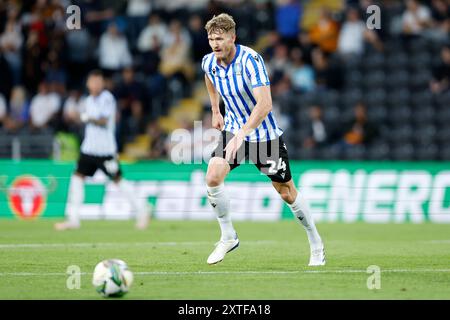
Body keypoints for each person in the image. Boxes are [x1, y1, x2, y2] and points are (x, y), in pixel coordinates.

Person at [201, 14, 325, 266]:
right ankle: (228, 237)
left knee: (287, 193)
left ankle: (316, 243)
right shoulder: (208, 62)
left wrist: (242, 136)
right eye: (211, 39)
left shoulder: (250, 61)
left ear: (232, 38)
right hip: (235, 131)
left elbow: (265, 104)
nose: (215, 44)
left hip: (264, 136)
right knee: (213, 175)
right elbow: (209, 78)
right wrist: (216, 110)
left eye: (220, 38)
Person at [54, 70, 150, 231]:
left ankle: (143, 210)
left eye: (99, 82)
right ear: (88, 84)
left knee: (118, 180)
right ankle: (73, 219)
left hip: (105, 151)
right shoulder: (88, 100)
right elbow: (87, 120)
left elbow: (104, 120)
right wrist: (77, 117)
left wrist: (85, 117)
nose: (96, 85)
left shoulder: (107, 98)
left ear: (102, 83)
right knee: (77, 178)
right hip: (88, 149)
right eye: (93, 82)